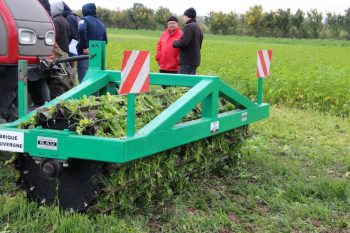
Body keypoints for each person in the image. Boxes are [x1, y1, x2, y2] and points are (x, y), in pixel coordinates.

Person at [76, 3, 108, 83]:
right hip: (97, 57)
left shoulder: (84, 20)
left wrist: (85, 46)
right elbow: (105, 41)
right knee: (95, 82)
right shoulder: (101, 24)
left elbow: (82, 29)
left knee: (84, 82)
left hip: (85, 56)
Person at [173, 7, 203, 75]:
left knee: (182, 82)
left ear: (188, 17)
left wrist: (175, 43)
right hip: (195, 60)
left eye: (184, 16)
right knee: (190, 82)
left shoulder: (189, 26)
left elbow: (184, 42)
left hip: (187, 60)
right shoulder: (198, 27)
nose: (183, 18)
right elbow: (199, 45)